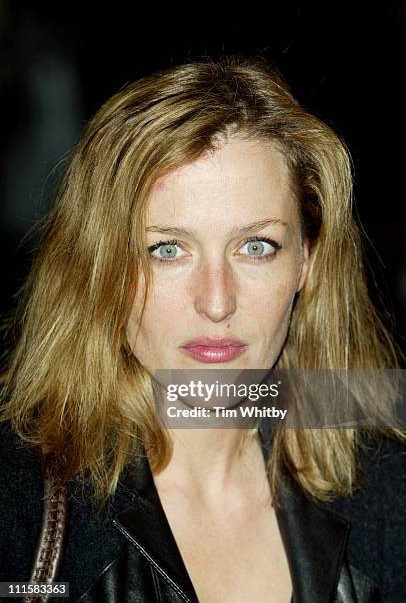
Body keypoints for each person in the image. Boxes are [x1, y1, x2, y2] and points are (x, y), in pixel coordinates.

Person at [0, 55, 405, 603]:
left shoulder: (386, 482)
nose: (216, 302)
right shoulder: (19, 502)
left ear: (306, 260)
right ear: (100, 268)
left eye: (256, 246)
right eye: (167, 250)